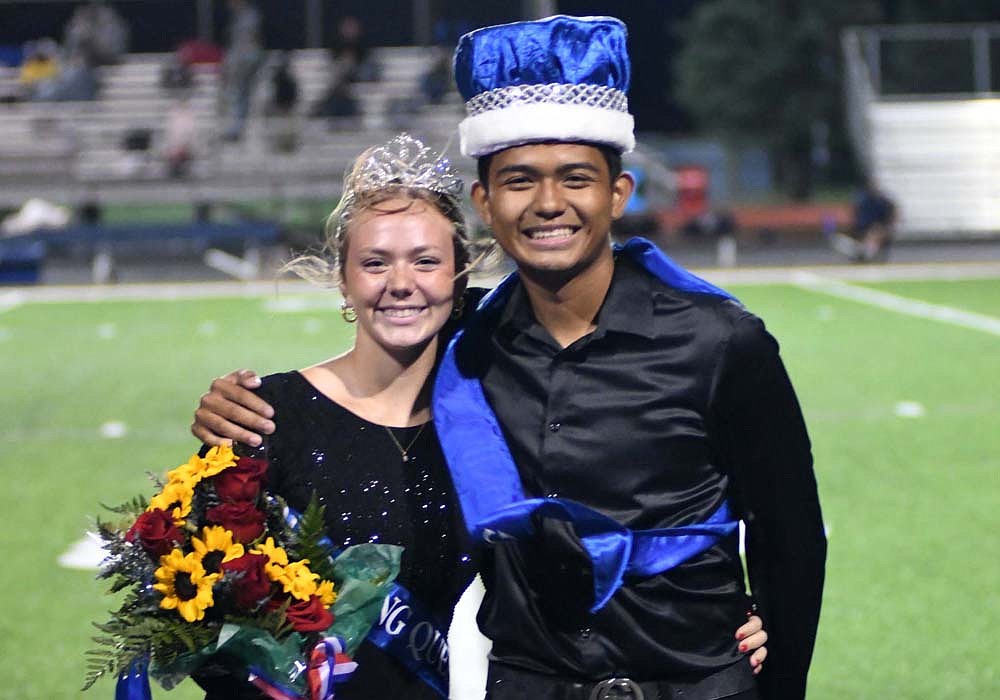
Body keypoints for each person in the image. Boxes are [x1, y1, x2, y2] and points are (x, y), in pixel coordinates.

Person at [192, 142, 771, 697]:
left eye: (425, 261)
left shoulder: (494, 409)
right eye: (374, 263)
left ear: (459, 274)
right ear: (343, 278)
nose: (401, 284)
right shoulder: (265, 414)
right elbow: (192, 606)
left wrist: (725, 613)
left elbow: (622, 522)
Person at [221, 0, 263, 141]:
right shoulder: (239, 18)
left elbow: (250, 40)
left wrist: (235, 64)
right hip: (242, 60)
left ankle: (239, 127)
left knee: (240, 94)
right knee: (239, 95)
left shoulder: (249, 16)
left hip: (247, 60)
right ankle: (237, 126)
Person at [830, 178, 897, 263]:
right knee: (839, 239)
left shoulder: (882, 202)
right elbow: (856, 220)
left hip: (876, 231)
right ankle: (861, 253)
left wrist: (881, 229)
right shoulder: (862, 201)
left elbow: (889, 217)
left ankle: (866, 254)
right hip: (862, 231)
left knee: (875, 234)